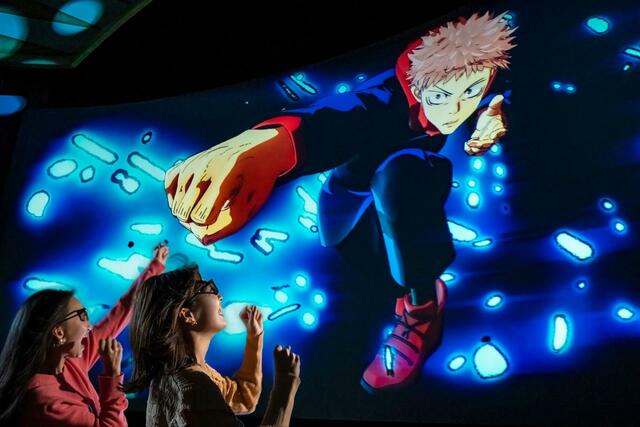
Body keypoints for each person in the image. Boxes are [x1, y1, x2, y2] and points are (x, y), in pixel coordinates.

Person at [162, 12, 516, 392]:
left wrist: (496, 113)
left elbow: (511, 87)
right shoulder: (388, 96)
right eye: (440, 98)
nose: (455, 110)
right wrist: (269, 147)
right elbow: (338, 117)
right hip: (351, 198)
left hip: (406, 186)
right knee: (359, 246)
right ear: (416, 88)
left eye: (470, 94)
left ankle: (423, 306)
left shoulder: (486, 83)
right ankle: (404, 289)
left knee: (401, 174)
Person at [0, 243, 168, 426]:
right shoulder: (44, 401)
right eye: (82, 317)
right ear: (59, 332)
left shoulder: (70, 362)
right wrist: (113, 375)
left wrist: (155, 266)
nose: (89, 326)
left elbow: (121, 312)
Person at [126, 265, 301, 427]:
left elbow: (243, 398)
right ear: (188, 315)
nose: (220, 297)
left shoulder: (189, 374)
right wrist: (286, 382)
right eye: (209, 289)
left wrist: (254, 337)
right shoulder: (195, 387)